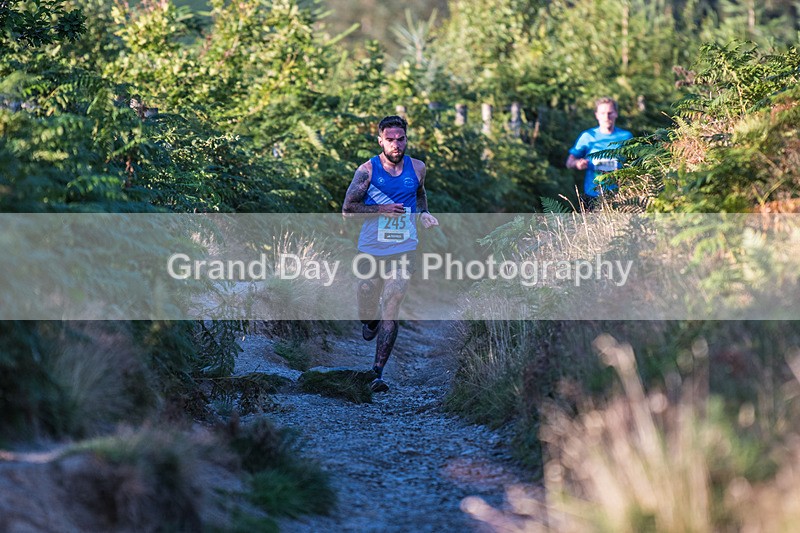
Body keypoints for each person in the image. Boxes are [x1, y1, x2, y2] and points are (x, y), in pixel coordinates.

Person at [342, 115, 439, 393]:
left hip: (404, 247)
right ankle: (368, 319)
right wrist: (381, 209)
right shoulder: (367, 171)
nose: (396, 145)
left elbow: (420, 195)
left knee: (392, 301)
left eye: (401, 139)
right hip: (371, 248)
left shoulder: (418, 168)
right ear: (380, 141)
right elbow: (348, 210)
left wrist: (424, 214)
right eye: (391, 140)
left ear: (406, 139)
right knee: (367, 298)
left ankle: (377, 373)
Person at [566, 97, 632, 205]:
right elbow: (569, 163)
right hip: (592, 196)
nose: (606, 117)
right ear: (596, 115)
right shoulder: (588, 136)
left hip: (621, 195)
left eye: (610, 113)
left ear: (616, 114)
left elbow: (635, 163)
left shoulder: (626, 136)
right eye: (602, 113)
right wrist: (577, 164)